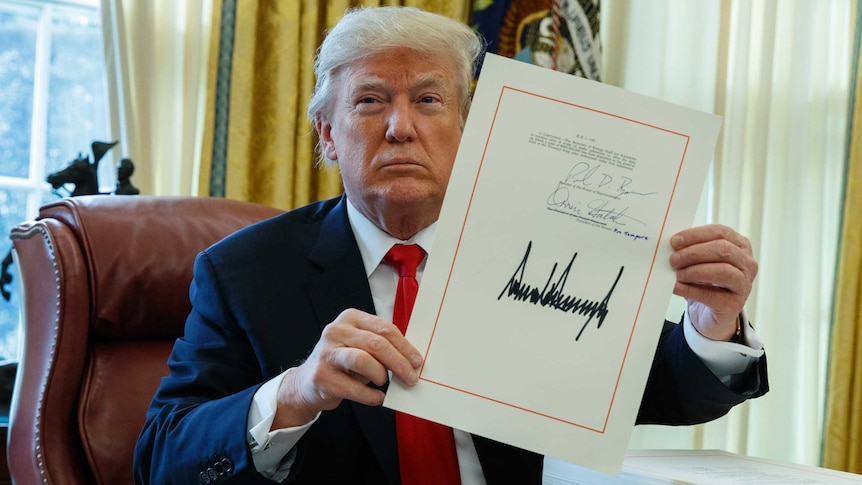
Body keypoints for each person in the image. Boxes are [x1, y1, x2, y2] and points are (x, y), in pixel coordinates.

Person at [133, 6, 768, 484]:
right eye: (370, 101)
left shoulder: (540, 245)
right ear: (327, 136)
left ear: (470, 130)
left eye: (429, 100)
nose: (400, 126)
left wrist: (711, 326)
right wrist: (297, 392)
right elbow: (160, 459)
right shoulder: (242, 273)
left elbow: (659, 386)